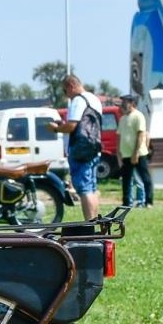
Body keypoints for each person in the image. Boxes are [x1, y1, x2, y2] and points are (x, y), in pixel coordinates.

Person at [48, 74, 103, 220]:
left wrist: (56, 128)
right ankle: (95, 222)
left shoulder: (78, 101)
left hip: (81, 150)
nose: (66, 96)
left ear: (71, 86)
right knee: (91, 188)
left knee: (84, 189)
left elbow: (72, 126)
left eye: (65, 92)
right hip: (94, 147)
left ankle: (90, 223)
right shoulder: (94, 99)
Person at [117, 93, 154, 207]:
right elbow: (119, 136)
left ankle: (148, 201)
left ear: (132, 103)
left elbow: (140, 134)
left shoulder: (138, 116)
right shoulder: (123, 118)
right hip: (126, 154)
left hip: (139, 154)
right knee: (126, 180)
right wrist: (118, 152)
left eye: (125, 102)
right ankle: (126, 202)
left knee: (145, 178)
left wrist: (136, 153)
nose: (122, 104)